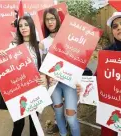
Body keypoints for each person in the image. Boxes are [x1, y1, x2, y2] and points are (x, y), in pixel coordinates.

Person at [0, 15, 47, 136]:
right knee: (18, 123)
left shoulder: (39, 46)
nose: (23, 28)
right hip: (17, 90)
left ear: (32, 27)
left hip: (34, 88)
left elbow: (44, 66)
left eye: (26, 25)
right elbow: (5, 66)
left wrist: (44, 76)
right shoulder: (13, 46)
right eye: (20, 26)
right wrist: (2, 55)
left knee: (34, 122)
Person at [40, 7, 81, 136]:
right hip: (54, 85)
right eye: (47, 20)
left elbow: (78, 60)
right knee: (58, 113)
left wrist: (79, 81)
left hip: (69, 83)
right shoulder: (44, 43)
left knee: (71, 117)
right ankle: (63, 133)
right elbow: (43, 65)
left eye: (52, 18)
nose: (50, 22)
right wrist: (47, 77)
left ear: (57, 20)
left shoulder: (70, 38)